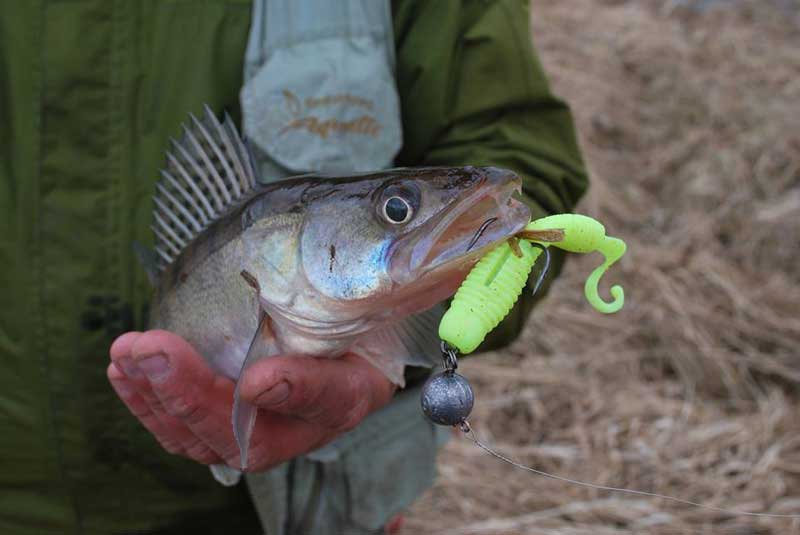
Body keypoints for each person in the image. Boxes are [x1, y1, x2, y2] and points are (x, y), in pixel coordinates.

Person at [0, 1, 588, 534]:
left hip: (301, 509)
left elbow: (524, 158)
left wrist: (475, 285)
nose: (402, 216)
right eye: (397, 209)